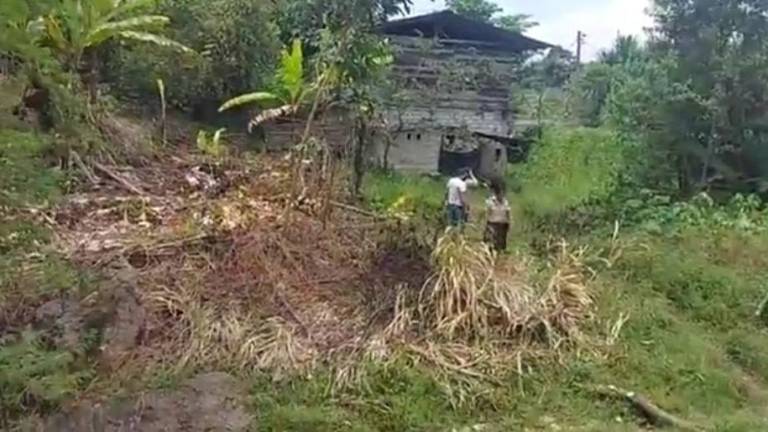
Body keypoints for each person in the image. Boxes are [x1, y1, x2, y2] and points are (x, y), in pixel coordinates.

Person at [483, 178, 511, 252]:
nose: (501, 194)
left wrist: (508, 222)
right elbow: (487, 213)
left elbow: (507, 213)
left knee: (500, 244)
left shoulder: (505, 202)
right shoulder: (491, 201)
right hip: (493, 224)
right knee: (491, 244)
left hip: (502, 224)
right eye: (499, 192)